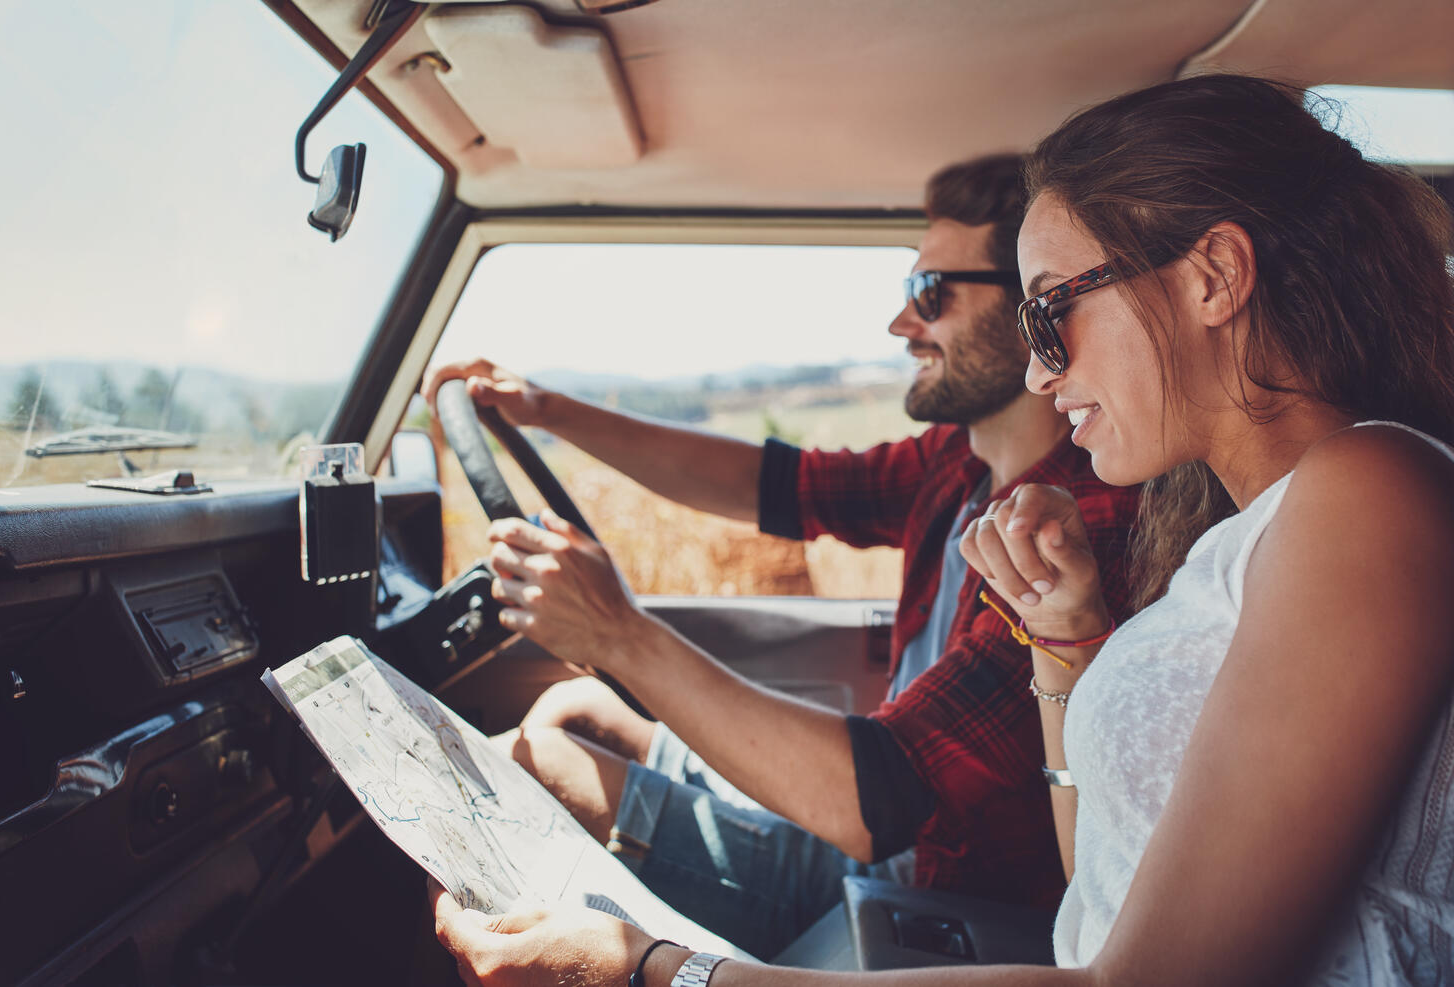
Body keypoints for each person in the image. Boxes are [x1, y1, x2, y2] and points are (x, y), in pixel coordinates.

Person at [431, 73, 1454, 986]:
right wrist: (1066, 642)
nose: (1042, 367)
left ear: (1212, 278)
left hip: (945, 894)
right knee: (560, 732)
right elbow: (1096, 867)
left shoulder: (1363, 490)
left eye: (1051, 311)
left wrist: (658, 973)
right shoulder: (1228, 528)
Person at [425, 155, 1141, 959]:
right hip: (889, 826)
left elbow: (879, 804)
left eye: (929, 295)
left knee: (533, 762)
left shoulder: (1072, 527)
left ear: (1027, 311)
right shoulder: (957, 464)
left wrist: (619, 632)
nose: (903, 326)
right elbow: (770, 482)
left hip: (925, 883)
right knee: (566, 711)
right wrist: (546, 408)